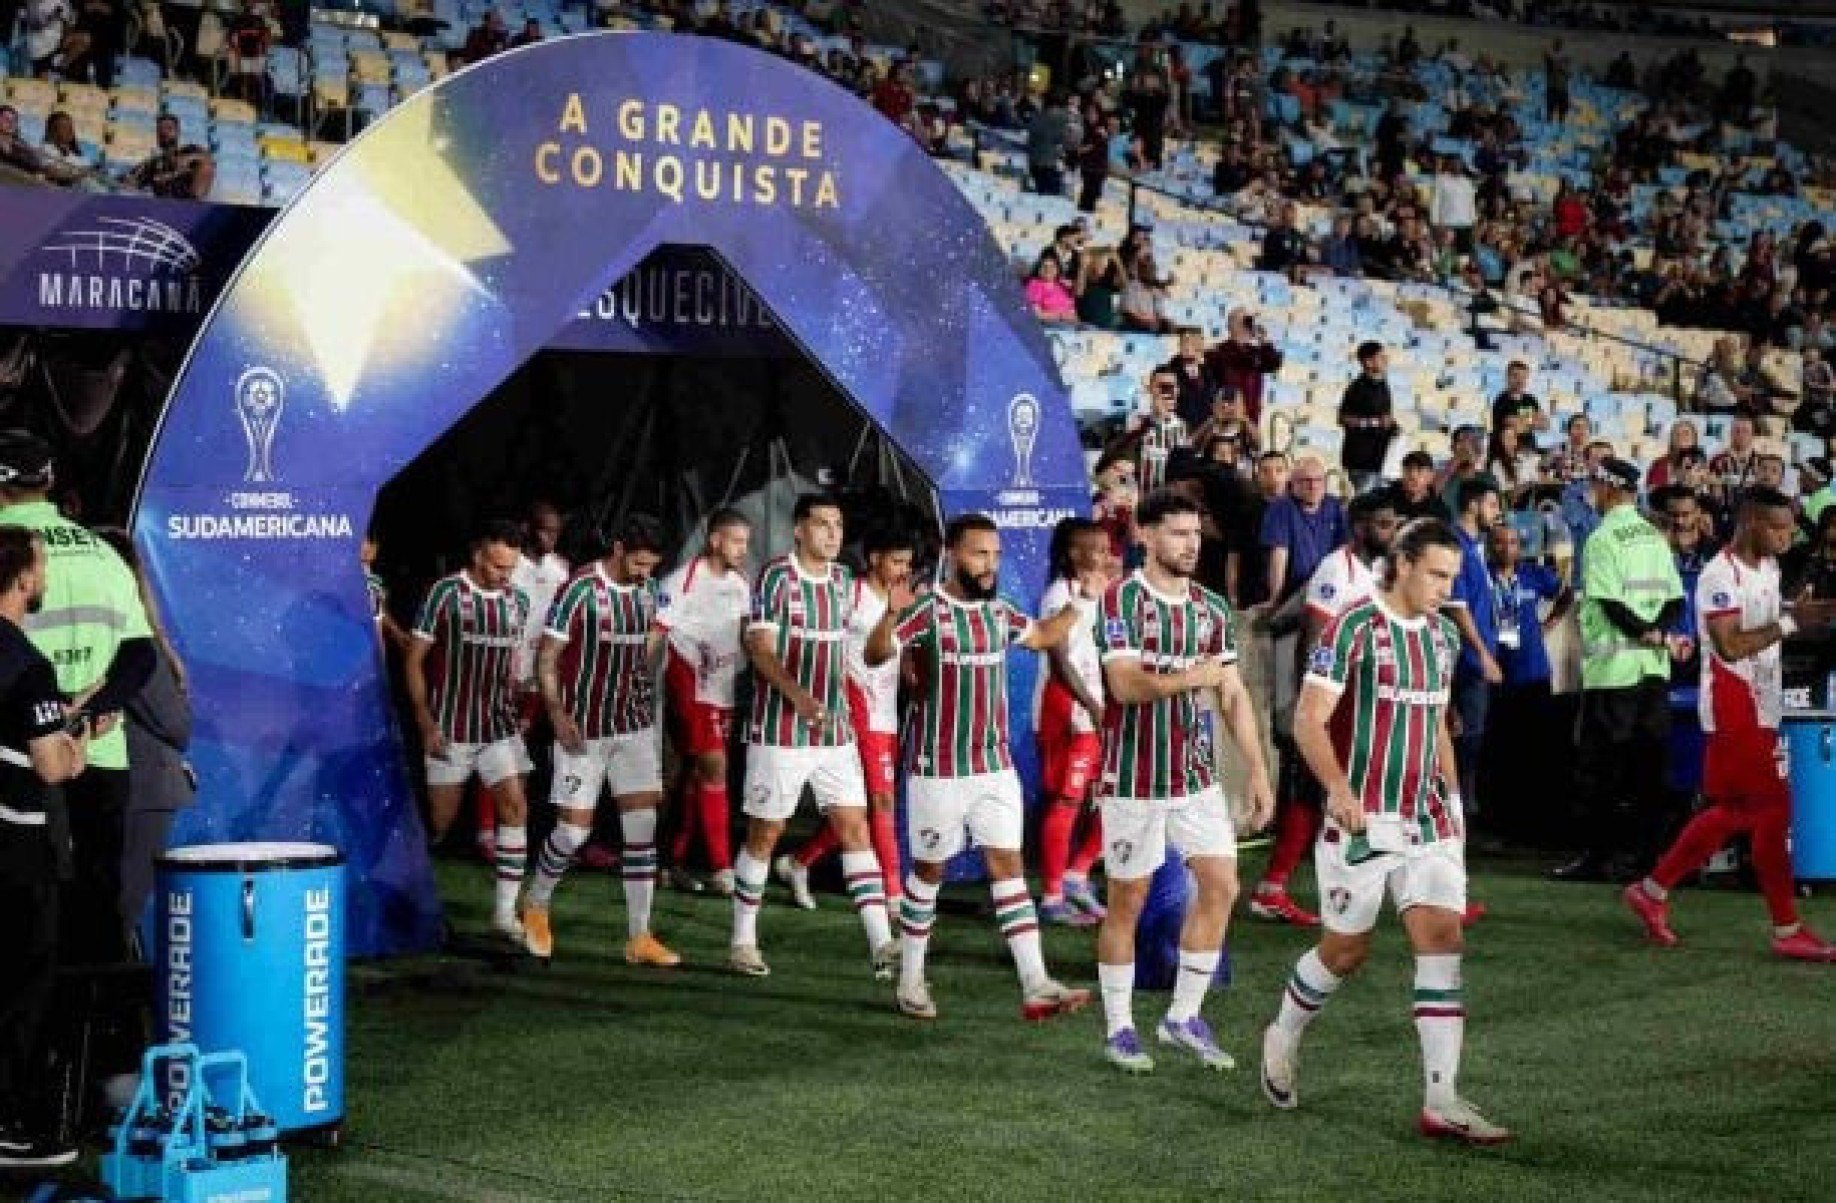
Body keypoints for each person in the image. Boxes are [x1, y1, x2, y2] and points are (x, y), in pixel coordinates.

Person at [1260, 518, 1508, 1145]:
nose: (1444, 588)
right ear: (1401, 563)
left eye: (1452, 577)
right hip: (1364, 818)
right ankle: (1283, 1032)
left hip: (1428, 817)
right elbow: (1307, 721)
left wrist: (1453, 805)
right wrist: (1339, 792)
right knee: (1346, 951)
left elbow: (1438, 728)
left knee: (1442, 939)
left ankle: (1442, 1098)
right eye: (1435, 574)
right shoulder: (1353, 627)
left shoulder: (1444, 638)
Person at [865, 515, 1089, 1021]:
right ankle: (911, 979)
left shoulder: (1001, 612)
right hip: (937, 770)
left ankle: (1035, 983)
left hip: (994, 767)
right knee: (930, 873)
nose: (989, 564)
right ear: (952, 554)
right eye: (978, 554)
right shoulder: (925, 610)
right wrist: (887, 614)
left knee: (1007, 868)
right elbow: (875, 654)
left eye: (995, 555)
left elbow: (1042, 636)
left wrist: (1085, 599)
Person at [1093, 491, 1275, 1074]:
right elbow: (1124, 686)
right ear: (1145, 536)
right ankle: (1119, 1027)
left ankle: (1181, 1017)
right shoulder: (1120, 601)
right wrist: (1191, 675)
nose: (1191, 544)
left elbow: (1231, 692)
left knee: (1221, 885)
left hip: (1193, 777)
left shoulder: (1211, 610)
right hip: (1132, 779)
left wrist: (1256, 768)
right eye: (1176, 533)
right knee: (1128, 900)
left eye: (1195, 533)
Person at [1624, 489, 1836, 961]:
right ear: (1750, 522)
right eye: (1777, 528)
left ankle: (1652, 891)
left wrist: (1805, 617)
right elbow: (1730, 647)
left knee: (1737, 812)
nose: (1786, 537)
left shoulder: (1769, 568)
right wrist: (1788, 625)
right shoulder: (1719, 574)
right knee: (1773, 810)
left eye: (1789, 529)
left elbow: (1772, 626)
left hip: (1762, 700)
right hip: (1733, 702)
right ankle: (1787, 930)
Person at [727, 494, 894, 979]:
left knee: (854, 827)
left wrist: (892, 618)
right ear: (799, 529)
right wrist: (797, 696)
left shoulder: (845, 581)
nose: (833, 533)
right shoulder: (777, 577)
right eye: (822, 524)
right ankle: (742, 941)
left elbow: (868, 649)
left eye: (838, 525)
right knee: (767, 832)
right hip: (781, 730)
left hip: (835, 730)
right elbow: (758, 649)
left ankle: (882, 946)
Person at [519, 516, 680, 967]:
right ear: (618, 547)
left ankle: (639, 937)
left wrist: (653, 720)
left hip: (632, 727)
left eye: (653, 565)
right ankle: (536, 902)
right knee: (572, 832)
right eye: (640, 562)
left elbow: (645, 653)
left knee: (642, 830)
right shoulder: (580, 589)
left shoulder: (648, 593)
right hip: (582, 728)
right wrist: (556, 713)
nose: (645, 572)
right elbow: (547, 656)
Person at [1250, 492, 1398, 928]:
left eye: (1394, 523)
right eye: (1384, 524)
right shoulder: (1336, 569)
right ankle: (1272, 888)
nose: (1392, 532)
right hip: (1327, 702)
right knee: (1309, 795)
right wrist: (1311, 706)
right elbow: (1314, 639)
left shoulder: (1381, 571)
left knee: (1349, 794)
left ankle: (1386, 888)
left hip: (1362, 700)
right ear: (1361, 527)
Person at [0, 527, 94, 1170]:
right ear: (25, 579)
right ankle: (9, 1124)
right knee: (19, 986)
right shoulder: (27, 662)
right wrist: (77, 740)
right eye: (43, 564)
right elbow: (52, 767)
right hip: (15, 851)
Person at [1553, 459, 1685, 883]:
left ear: (1609, 489)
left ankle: (1598, 857)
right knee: (1649, 770)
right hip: (1653, 672)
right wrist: (1659, 635)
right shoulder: (1654, 536)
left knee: (1600, 770)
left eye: (1595, 483)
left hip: (1613, 672)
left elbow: (1609, 603)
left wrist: (1643, 632)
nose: (1592, 491)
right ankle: (1648, 859)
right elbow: (1675, 600)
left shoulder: (1602, 538)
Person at [404, 520, 533, 942]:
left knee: (514, 807)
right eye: (498, 567)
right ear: (478, 556)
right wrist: (424, 721)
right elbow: (414, 660)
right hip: (450, 727)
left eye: (510, 568)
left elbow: (509, 666)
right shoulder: (445, 594)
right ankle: (412, 904)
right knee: (439, 824)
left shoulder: (518, 601)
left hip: (497, 727)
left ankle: (503, 915)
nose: (505, 576)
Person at [776, 525, 913, 911]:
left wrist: (911, 674)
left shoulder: (902, 599)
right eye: (896, 561)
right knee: (882, 800)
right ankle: (893, 895)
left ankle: (798, 862)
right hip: (855, 710)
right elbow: (833, 645)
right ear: (874, 559)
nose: (903, 570)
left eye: (908, 563)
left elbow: (897, 652)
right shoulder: (848, 593)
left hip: (887, 712)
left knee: (859, 807)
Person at [656, 509, 752, 895]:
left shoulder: (741, 585)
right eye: (736, 541)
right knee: (715, 767)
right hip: (690, 682)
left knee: (690, 776)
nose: (743, 550)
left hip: (723, 689)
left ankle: (668, 861)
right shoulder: (682, 581)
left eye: (746, 542)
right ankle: (722, 868)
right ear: (715, 540)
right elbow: (657, 633)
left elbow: (750, 637)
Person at [1035, 519, 1112, 925]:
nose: (1102, 555)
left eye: (1105, 547)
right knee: (1067, 800)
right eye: (1092, 548)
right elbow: (1059, 659)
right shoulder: (1058, 595)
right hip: (1067, 709)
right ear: (1071, 553)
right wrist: (1092, 706)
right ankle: (1051, 897)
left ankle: (1077, 874)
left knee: (1114, 794)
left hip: (1096, 706)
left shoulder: (1100, 594)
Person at [1479, 522, 1570, 846]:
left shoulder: (1532, 575)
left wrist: (1552, 621)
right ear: (1490, 546)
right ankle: (1501, 826)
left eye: (1513, 543)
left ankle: (1535, 826)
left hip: (1534, 674)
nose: (1507, 549)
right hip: (1498, 675)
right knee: (1502, 753)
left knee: (1536, 751)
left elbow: (1565, 591)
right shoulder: (1481, 577)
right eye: (1500, 543)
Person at [1443, 479, 1503, 816]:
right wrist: (1482, 653)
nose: (1497, 513)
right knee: (1464, 737)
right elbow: (1456, 605)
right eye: (1492, 505)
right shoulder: (1457, 547)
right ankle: (1457, 811)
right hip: (1464, 660)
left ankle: (1461, 811)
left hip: (1472, 656)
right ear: (1473, 505)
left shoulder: (1473, 546)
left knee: (1470, 737)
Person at [1338, 341, 1396, 495]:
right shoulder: (1357, 387)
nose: (1386, 360)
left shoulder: (1383, 383)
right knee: (1364, 507)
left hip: (1380, 459)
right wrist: (1374, 422)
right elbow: (1343, 418)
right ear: (1368, 362)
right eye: (1381, 357)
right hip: (1362, 461)